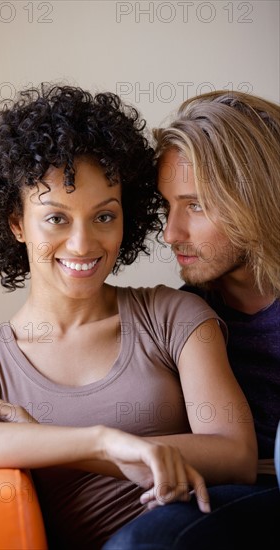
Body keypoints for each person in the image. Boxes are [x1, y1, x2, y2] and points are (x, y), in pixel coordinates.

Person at [0, 85, 257, 550]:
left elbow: (236, 454)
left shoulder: (174, 314)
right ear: (16, 222)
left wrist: (54, 441)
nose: (83, 245)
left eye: (104, 217)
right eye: (56, 219)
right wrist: (102, 443)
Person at [103, 90, 280, 549]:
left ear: (257, 198)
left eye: (195, 205)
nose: (170, 233)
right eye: (167, 206)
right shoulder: (183, 319)